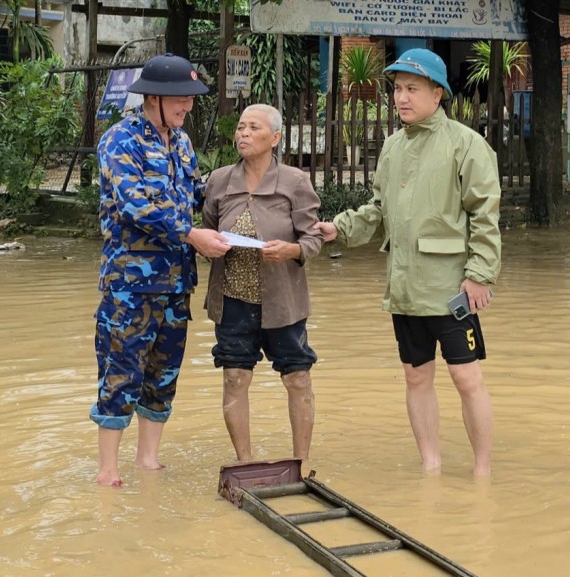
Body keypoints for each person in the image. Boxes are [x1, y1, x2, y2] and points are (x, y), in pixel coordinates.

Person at [315, 49, 502, 476]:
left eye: (412, 89)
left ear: (438, 94)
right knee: (416, 378)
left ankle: (482, 471)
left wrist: (479, 276)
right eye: (397, 89)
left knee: (466, 379)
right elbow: (378, 211)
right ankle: (431, 467)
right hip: (404, 287)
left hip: (452, 288)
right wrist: (339, 229)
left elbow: (485, 217)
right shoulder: (393, 147)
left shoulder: (467, 145)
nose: (401, 97)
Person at [91, 53, 231, 487]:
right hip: (131, 284)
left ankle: (147, 459)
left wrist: (243, 193)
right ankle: (107, 469)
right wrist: (193, 235)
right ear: (153, 96)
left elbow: (196, 191)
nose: (188, 107)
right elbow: (135, 207)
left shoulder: (182, 143)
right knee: (121, 372)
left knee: (163, 373)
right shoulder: (120, 141)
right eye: (181, 99)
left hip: (175, 283)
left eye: (190, 99)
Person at [202, 104, 324, 462]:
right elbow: (207, 230)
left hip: (282, 304)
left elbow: (313, 239)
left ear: (274, 138)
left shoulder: (295, 182)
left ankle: (299, 464)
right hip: (232, 300)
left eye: (252, 128)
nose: (242, 134)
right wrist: (211, 245)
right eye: (240, 127)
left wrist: (291, 250)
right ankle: (245, 463)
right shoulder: (219, 181)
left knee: (297, 379)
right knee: (235, 378)